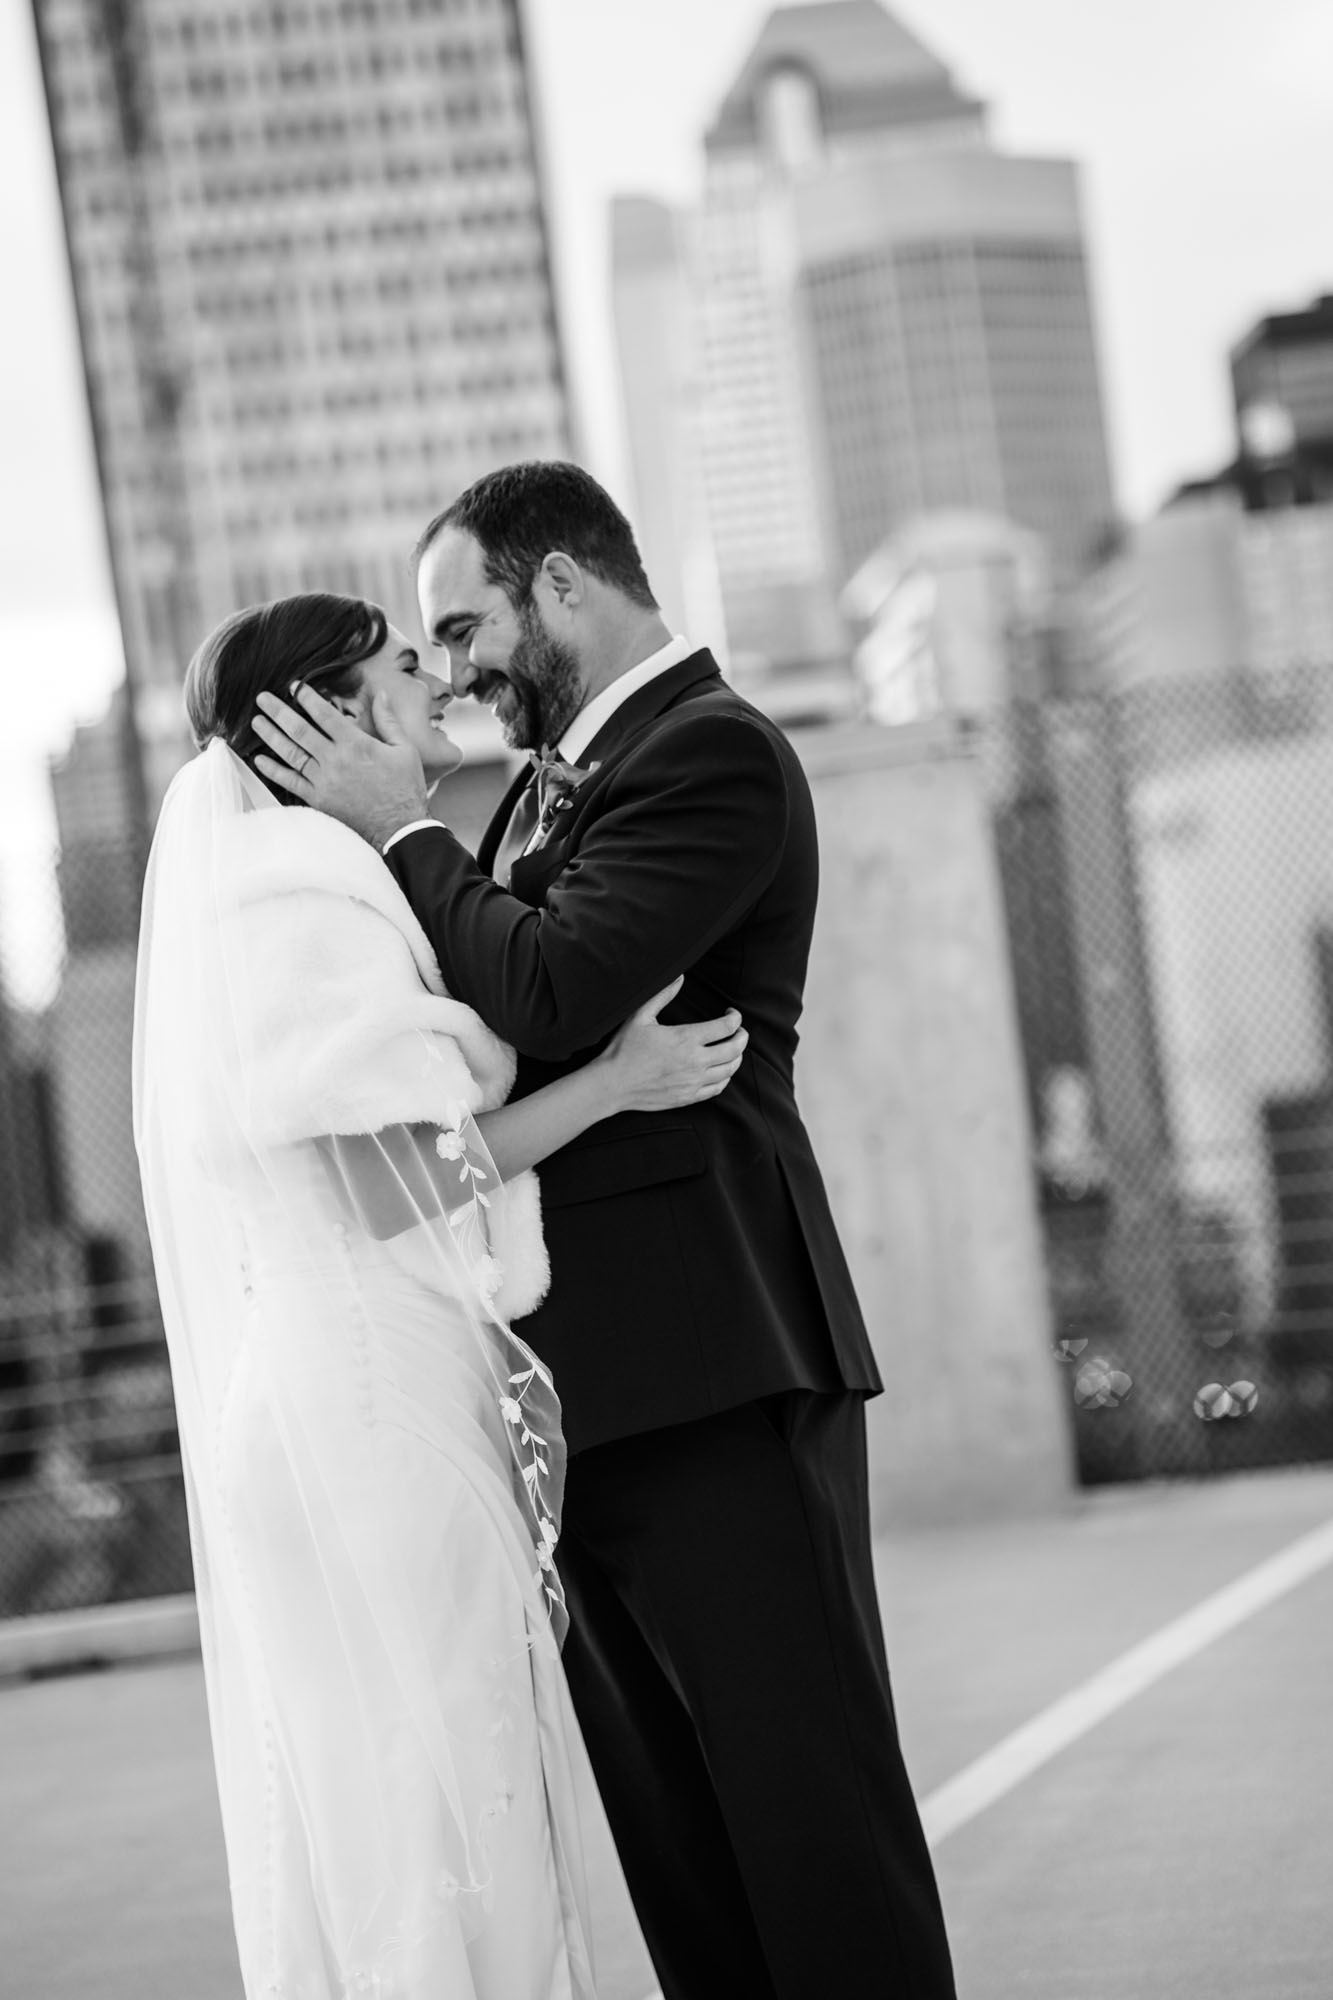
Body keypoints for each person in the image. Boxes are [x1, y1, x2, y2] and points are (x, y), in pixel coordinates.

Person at [252, 464, 957, 2000]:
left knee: (810, 1834)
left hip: (714, 1370)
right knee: (686, 1865)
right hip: (577, 1407)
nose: (449, 671)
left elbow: (555, 988)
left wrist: (399, 833)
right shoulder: (548, 786)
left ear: (563, 583)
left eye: (465, 624)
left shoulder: (709, 753)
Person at [133, 591, 747, 2000]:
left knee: (404, 1795)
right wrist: (613, 1085)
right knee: (448, 1795)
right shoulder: (299, 888)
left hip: (346, 1385)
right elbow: (383, 1181)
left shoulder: (296, 881)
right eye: (404, 667)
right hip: (372, 1395)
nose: (439, 680)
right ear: (327, 717)